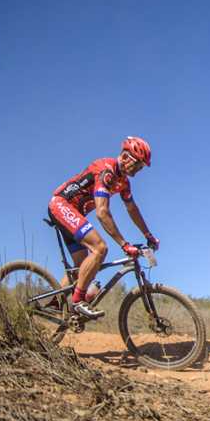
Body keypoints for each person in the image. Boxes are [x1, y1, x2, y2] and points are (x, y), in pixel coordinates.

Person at [47, 136, 159, 318]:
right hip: (61, 205)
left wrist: (148, 235)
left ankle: (54, 304)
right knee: (100, 248)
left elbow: (132, 208)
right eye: (137, 164)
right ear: (124, 157)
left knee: (81, 267)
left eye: (141, 167)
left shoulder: (124, 182)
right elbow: (102, 212)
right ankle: (78, 302)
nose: (139, 170)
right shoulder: (105, 171)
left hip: (74, 213)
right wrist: (124, 244)